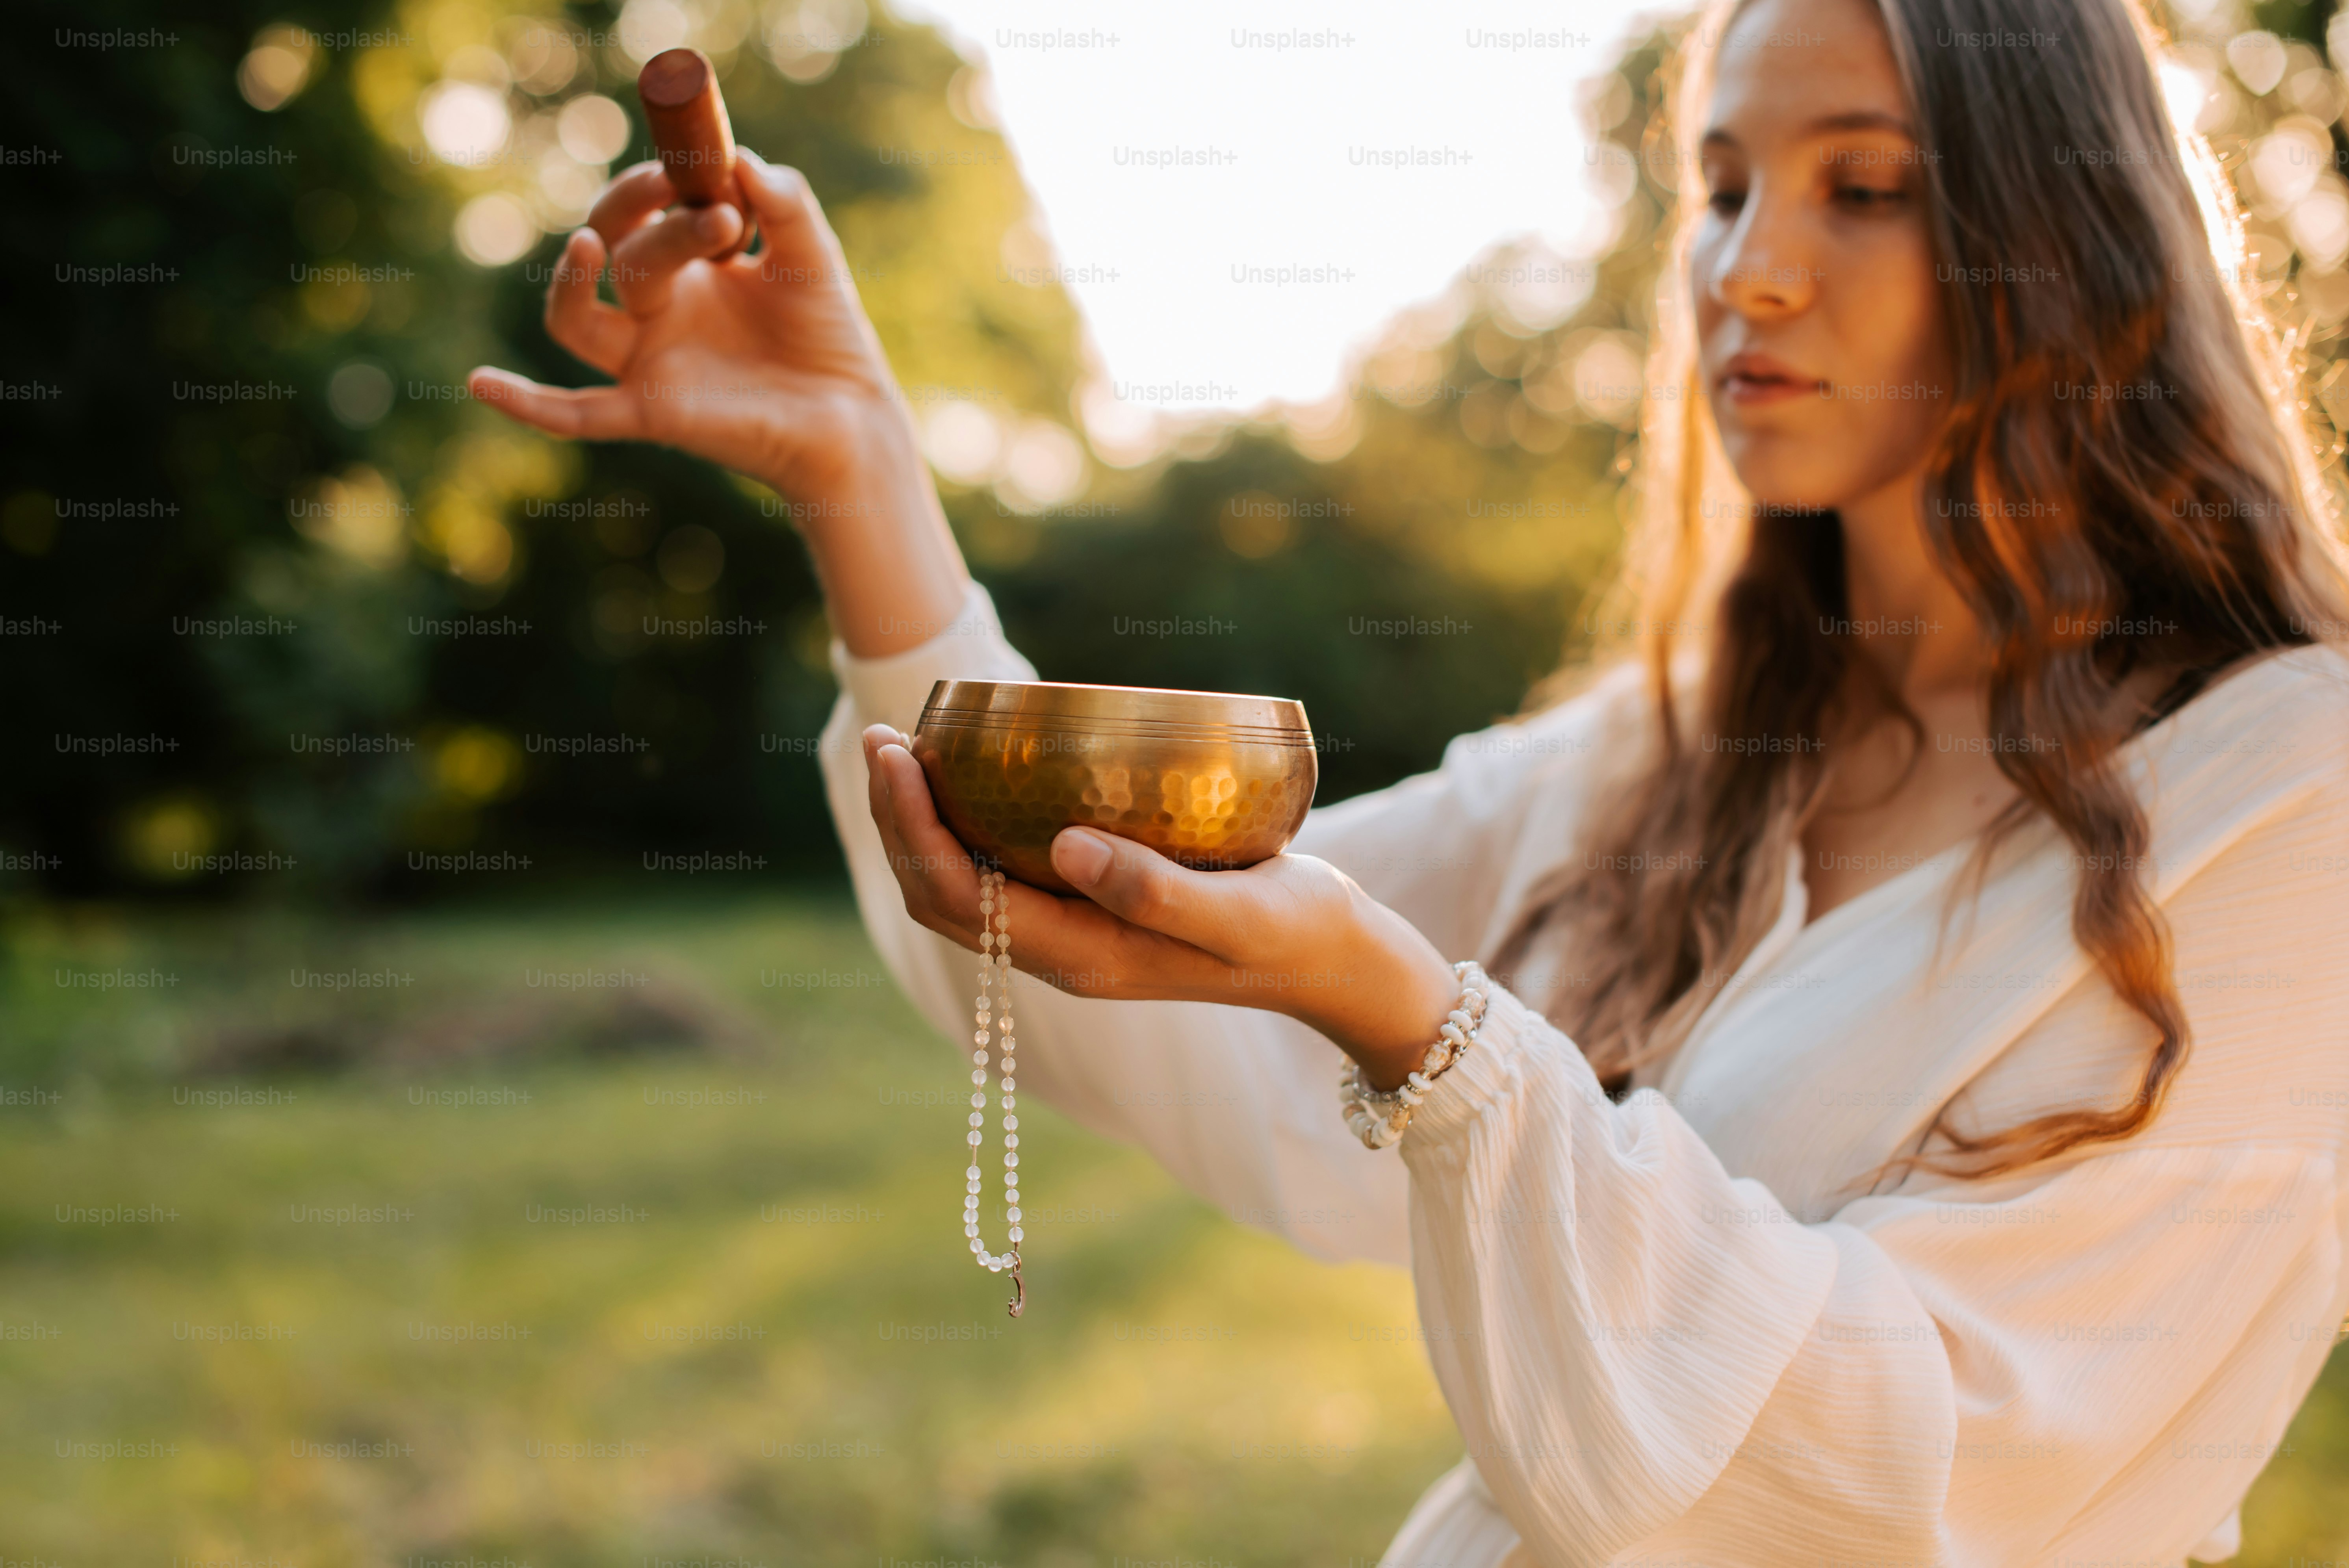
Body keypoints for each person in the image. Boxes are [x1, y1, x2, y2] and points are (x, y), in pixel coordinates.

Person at [473, 0, 2349, 1558]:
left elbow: (1907, 1469)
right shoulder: (1677, 753)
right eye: (1718, 187)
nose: (1747, 271)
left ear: (2074, 238)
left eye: (1865, 187)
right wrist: (856, 459)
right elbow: (1160, 988)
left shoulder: (2291, 791)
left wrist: (1416, 1027)